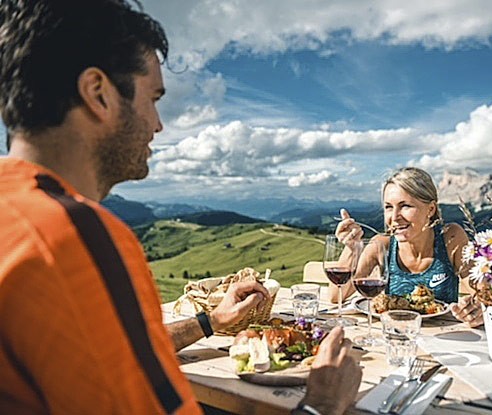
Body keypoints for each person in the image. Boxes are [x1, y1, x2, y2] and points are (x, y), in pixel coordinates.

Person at [0, 1, 361, 414]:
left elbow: (116, 346)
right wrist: (321, 406)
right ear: (98, 93)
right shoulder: (69, 236)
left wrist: (211, 322)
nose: (158, 124)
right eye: (152, 98)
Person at [329, 167, 484, 327]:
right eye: (389, 207)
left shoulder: (450, 238)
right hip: (395, 337)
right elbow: (336, 296)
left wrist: (476, 308)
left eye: (405, 206)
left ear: (430, 209)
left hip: (445, 336)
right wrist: (351, 248)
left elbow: (483, 294)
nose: (394, 218)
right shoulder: (381, 245)